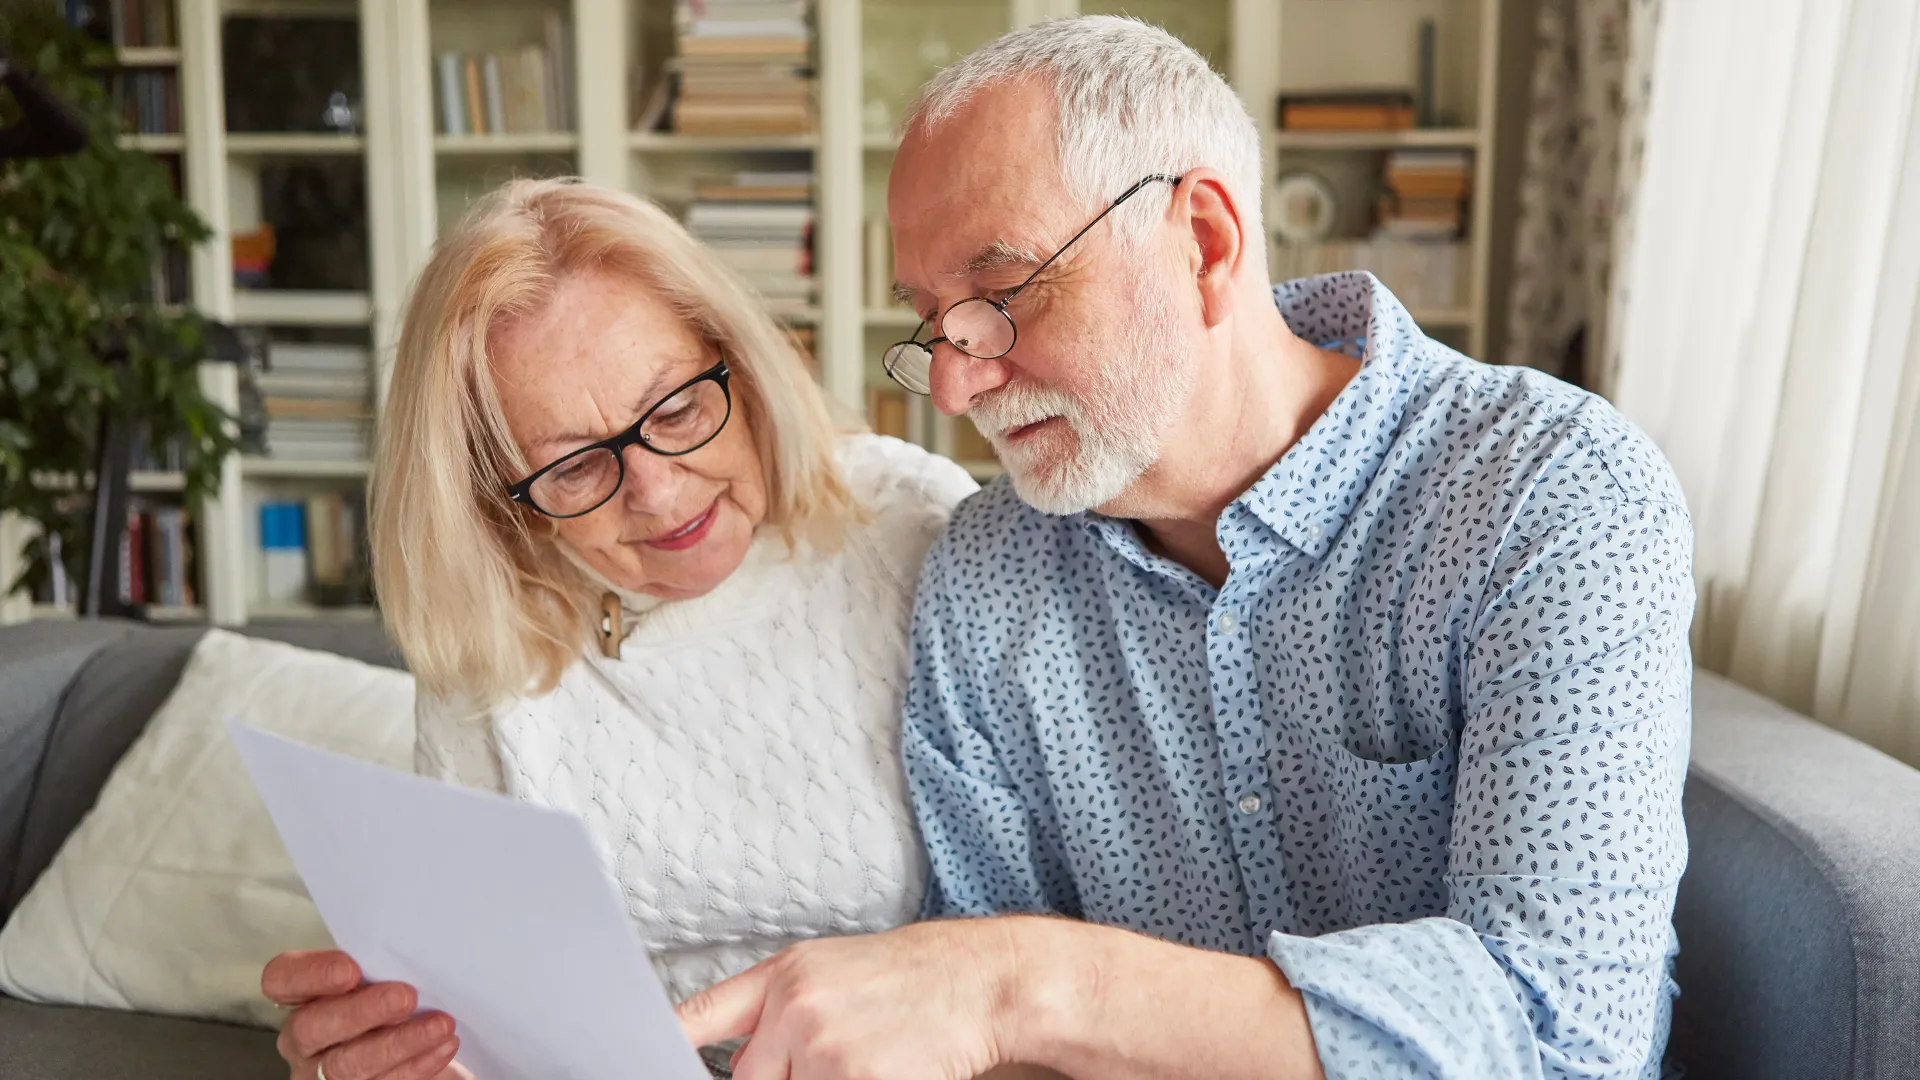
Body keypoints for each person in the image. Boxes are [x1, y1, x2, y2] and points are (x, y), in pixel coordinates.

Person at [679, 17, 1692, 1080]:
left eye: (1004, 293)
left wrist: (1020, 984)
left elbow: (1561, 1037)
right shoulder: (987, 576)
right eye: (934, 320)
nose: (950, 384)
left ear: (1203, 242)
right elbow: (979, 1050)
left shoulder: (1547, 496)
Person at [257, 178, 977, 1080]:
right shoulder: (494, 638)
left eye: (676, 410)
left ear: (742, 366)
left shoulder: (910, 527)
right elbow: (489, 1014)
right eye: (574, 467)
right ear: (499, 497)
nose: (659, 492)